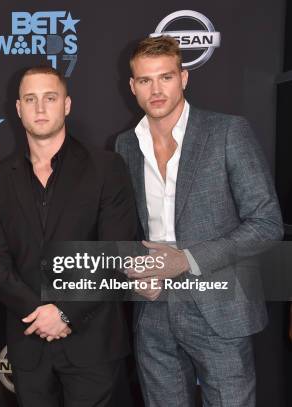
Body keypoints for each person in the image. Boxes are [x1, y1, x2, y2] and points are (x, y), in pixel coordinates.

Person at [115, 36, 283, 406]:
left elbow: (267, 222)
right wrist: (132, 270)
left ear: (184, 78)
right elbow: (124, 227)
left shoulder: (227, 132)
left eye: (166, 77)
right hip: (153, 306)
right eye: (145, 80)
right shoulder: (125, 145)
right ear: (132, 86)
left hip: (219, 303)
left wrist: (187, 259)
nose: (156, 90)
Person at [0, 66, 137, 407]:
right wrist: (39, 312)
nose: (39, 108)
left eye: (49, 98)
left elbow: (116, 254)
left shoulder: (107, 168)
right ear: (18, 108)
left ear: (66, 105)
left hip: (91, 339)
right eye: (30, 99)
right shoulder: (1, 179)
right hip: (28, 338)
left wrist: (64, 313)